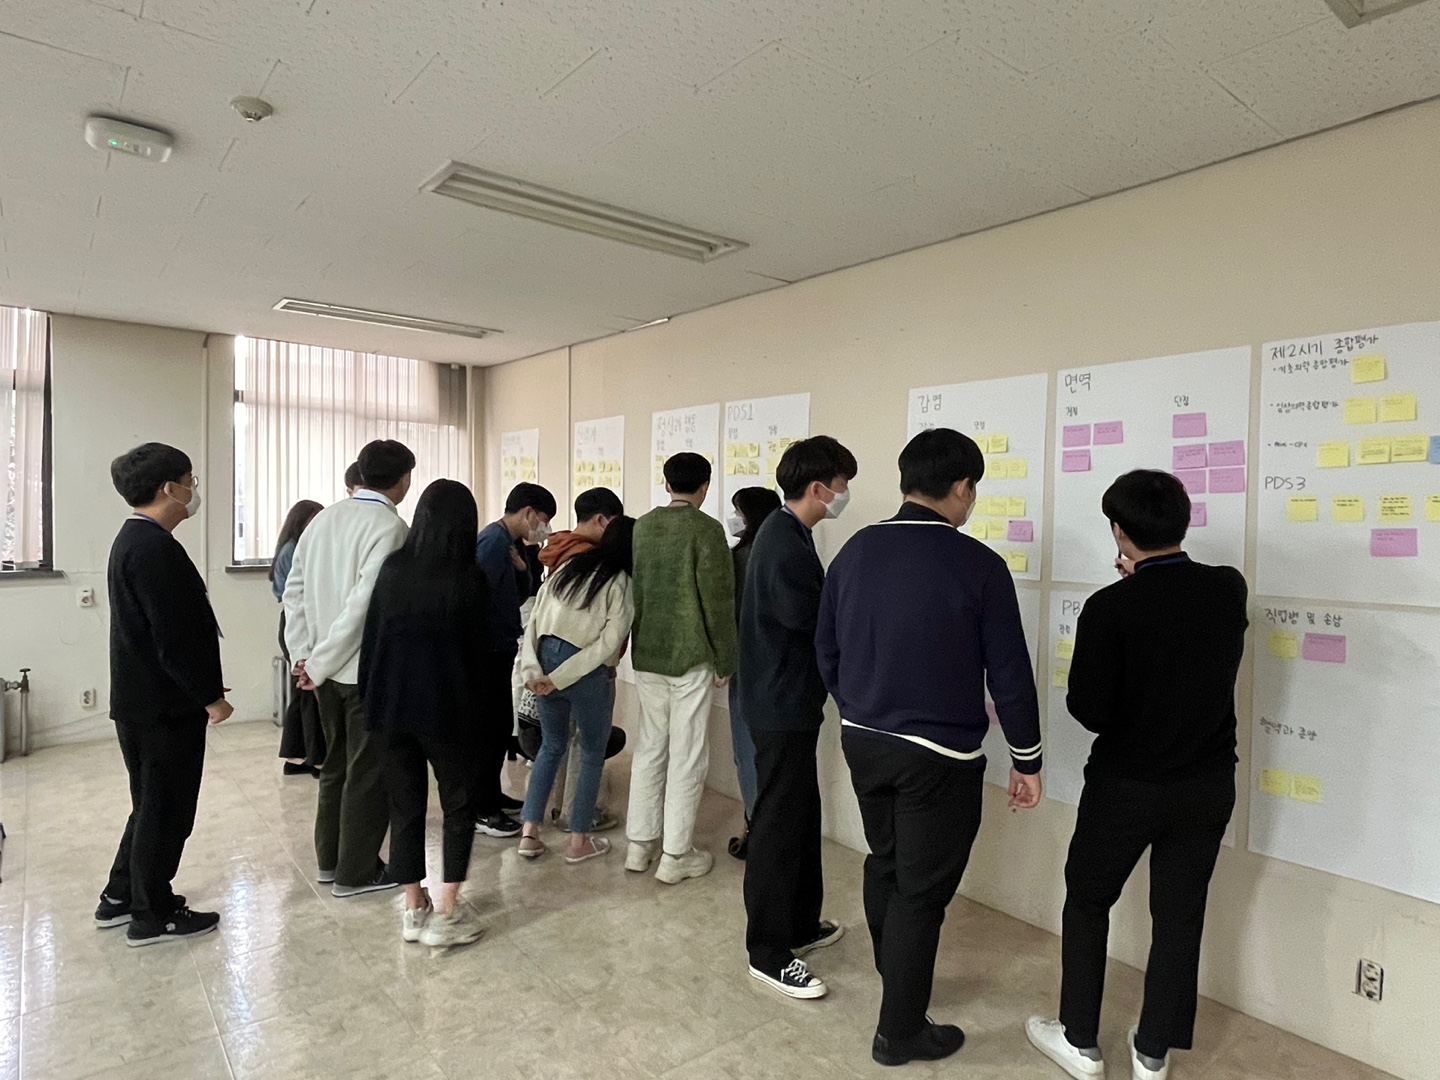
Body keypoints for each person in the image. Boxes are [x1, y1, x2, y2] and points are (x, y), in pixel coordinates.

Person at [817, 427, 1043, 1067]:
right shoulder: (979, 565)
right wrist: (1026, 758)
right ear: (963, 487)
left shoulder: (855, 551)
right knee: (921, 892)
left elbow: (826, 648)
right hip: (939, 755)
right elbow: (1009, 673)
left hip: (863, 739)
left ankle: (898, 975)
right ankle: (900, 1031)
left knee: (885, 861)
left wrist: (857, 705)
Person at [1025, 471, 1247, 1080]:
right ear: (1183, 521)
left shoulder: (1108, 608)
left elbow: (1089, 709)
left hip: (1126, 785)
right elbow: (1183, 630)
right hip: (1207, 785)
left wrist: (1130, 596)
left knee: (1088, 900)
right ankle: (1152, 1052)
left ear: (1119, 532)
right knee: (1179, 914)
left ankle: (1080, 1041)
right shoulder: (1228, 588)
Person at [95, 443, 229, 946]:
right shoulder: (153, 548)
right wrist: (209, 696)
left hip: (146, 699)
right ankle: (151, 914)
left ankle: (120, 895)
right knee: (167, 809)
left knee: (150, 804)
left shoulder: (136, 540)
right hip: (163, 708)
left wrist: (200, 683)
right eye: (189, 480)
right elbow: (174, 637)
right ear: (169, 488)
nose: (194, 489)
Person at [741, 438, 856, 1000]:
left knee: (801, 814)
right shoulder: (783, 542)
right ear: (818, 488)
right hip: (779, 702)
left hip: (790, 700)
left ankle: (799, 925)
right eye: (842, 485)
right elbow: (810, 619)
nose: (844, 495)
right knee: (777, 824)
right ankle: (767, 950)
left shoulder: (789, 532)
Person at [358, 479, 489, 948]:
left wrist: (369, 701)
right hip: (448, 710)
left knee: (405, 805)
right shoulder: (469, 578)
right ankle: (449, 911)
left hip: (390, 707)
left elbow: (371, 641)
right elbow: (480, 656)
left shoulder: (393, 568)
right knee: (458, 804)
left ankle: (414, 907)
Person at [284, 439, 413, 897]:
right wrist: (318, 661)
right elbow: (364, 607)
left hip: (321, 673)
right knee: (367, 772)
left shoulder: (324, 518)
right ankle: (356, 872)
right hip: (362, 673)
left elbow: (294, 592)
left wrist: (304, 656)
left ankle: (330, 861)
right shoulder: (390, 527)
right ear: (403, 480)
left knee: (335, 766)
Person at [625, 452, 736, 884]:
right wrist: (726, 658)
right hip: (691, 655)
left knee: (650, 748)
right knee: (688, 754)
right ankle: (675, 854)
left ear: (667, 483)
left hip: (648, 652)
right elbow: (718, 602)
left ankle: (639, 845)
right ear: (705, 487)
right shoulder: (707, 530)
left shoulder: (643, 526)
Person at [517, 516, 637, 863]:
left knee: (551, 746)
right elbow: (608, 645)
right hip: (584, 670)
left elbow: (535, 621)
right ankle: (579, 840)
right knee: (592, 751)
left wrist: (535, 671)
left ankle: (529, 834)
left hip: (545, 658)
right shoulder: (621, 582)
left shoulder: (568, 569)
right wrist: (561, 676)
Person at [535, 486, 627, 833]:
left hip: (549, 654)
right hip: (586, 659)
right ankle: (577, 816)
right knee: (585, 745)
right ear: (602, 520)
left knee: (557, 743)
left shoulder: (560, 546)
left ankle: (553, 810)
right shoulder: (590, 557)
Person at [474, 482, 557, 837]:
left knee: (497, 729)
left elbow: (521, 593)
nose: (544, 528)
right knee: (489, 731)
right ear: (528, 513)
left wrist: (524, 568)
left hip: (502, 644)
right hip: (487, 649)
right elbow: (478, 597)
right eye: (543, 519)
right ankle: (482, 809)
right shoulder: (493, 542)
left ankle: (491, 796)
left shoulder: (511, 544)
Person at [725, 486, 781, 859]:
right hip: (776, 669)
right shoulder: (785, 551)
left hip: (744, 667)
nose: (735, 520)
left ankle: (754, 828)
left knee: (747, 754)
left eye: (738, 512)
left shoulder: (738, 558)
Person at [273, 499, 325, 777]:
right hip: (298, 623)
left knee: (300, 693)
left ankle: (296, 757)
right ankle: (317, 760)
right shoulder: (295, 550)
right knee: (309, 694)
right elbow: (296, 596)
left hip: (295, 623)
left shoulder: (292, 547)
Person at [539, 486, 624, 572]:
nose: (617, 529)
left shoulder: (559, 546)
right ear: (600, 520)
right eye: (615, 523)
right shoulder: (589, 556)